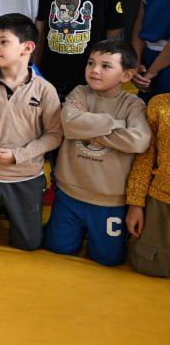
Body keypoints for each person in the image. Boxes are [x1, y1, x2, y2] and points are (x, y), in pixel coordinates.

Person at [44, 41, 151, 266]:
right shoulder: (80, 92)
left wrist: (87, 130)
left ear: (127, 75)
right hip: (69, 194)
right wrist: (116, 125)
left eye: (106, 66)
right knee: (57, 248)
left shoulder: (133, 105)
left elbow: (139, 141)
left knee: (108, 259)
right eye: (91, 63)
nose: (95, 70)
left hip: (109, 200)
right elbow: (69, 123)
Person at [0, 13, 63, 251]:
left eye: (3, 42)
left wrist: (19, 155)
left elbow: (54, 136)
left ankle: (12, 214)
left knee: (28, 243)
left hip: (26, 177)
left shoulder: (45, 90)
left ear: (27, 47)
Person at [128, 93, 170, 277]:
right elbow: (145, 157)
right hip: (161, 198)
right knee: (148, 264)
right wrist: (135, 204)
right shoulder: (160, 105)